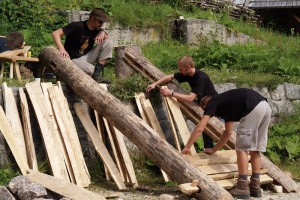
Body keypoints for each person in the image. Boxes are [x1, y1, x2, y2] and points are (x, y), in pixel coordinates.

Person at [181, 88, 271, 199]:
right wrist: (214, 150)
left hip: (252, 107)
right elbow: (228, 133)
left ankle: (242, 186)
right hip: (265, 106)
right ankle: (255, 186)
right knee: (255, 148)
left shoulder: (212, 103)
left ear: (204, 107)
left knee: (242, 148)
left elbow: (200, 128)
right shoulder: (227, 105)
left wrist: (187, 147)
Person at [146, 55, 217, 149]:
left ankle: (209, 149)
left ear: (187, 67)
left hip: (214, 105)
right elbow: (170, 77)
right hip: (203, 103)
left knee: (210, 129)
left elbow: (190, 98)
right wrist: (155, 84)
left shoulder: (200, 77)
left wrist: (171, 93)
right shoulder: (187, 74)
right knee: (205, 130)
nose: (179, 71)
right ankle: (208, 149)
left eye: (180, 69)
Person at [52, 8, 113, 83]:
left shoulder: (97, 30)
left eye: (103, 22)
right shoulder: (77, 26)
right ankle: (94, 76)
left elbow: (107, 42)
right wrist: (61, 49)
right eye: (100, 21)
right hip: (72, 59)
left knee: (108, 42)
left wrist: (103, 33)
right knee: (91, 69)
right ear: (92, 18)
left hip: (86, 57)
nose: (102, 24)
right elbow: (55, 33)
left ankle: (96, 75)